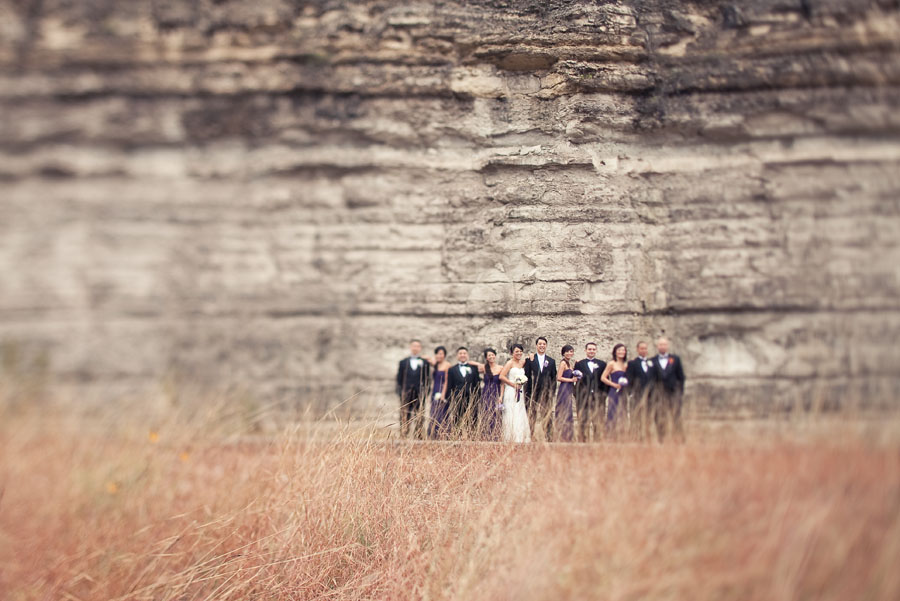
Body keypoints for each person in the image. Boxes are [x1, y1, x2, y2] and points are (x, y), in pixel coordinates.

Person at [648, 337, 686, 442]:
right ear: (657, 346)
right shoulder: (652, 361)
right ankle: (661, 439)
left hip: (673, 394)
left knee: (676, 416)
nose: (662, 346)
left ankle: (679, 439)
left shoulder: (675, 359)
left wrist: (679, 393)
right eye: (660, 344)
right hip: (658, 395)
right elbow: (650, 379)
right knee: (659, 417)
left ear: (668, 346)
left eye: (664, 344)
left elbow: (681, 377)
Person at [524, 336, 557, 441]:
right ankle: (531, 436)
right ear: (536, 345)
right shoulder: (530, 360)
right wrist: (527, 393)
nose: (542, 346)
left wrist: (551, 392)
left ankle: (549, 437)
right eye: (540, 344)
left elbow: (553, 379)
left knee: (547, 415)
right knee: (531, 415)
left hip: (546, 394)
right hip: (532, 393)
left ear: (546, 346)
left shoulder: (551, 361)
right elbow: (527, 377)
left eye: (544, 344)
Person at [395, 339, 430, 438]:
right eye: (413, 346)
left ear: (420, 348)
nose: (415, 348)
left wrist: (425, 393)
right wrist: (400, 393)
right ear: (410, 347)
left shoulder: (425, 363)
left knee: (419, 415)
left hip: (419, 394)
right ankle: (403, 435)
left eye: (417, 346)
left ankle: (418, 436)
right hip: (406, 394)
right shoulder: (403, 362)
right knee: (404, 415)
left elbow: (427, 379)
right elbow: (399, 379)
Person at [446, 347, 482, 437]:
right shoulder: (452, 370)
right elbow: (449, 386)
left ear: (467, 355)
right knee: (457, 420)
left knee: (472, 419)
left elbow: (477, 384)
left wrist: (477, 398)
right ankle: (457, 437)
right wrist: (450, 399)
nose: (462, 355)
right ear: (457, 356)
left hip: (471, 399)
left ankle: (472, 438)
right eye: (460, 353)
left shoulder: (474, 369)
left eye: (464, 353)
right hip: (457, 399)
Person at [574, 342, 607, 442]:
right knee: (583, 421)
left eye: (593, 349)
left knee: (598, 421)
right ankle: (583, 443)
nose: (591, 351)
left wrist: (603, 396)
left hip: (598, 398)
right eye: (589, 349)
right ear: (585, 350)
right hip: (583, 398)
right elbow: (576, 381)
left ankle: (598, 443)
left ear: (596, 350)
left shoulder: (602, 364)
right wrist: (578, 396)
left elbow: (605, 381)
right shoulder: (579, 364)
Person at [498, 343, 530, 443]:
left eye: (520, 351)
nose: (519, 353)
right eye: (516, 351)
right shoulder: (509, 363)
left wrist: (531, 356)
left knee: (520, 412)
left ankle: (520, 437)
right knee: (511, 412)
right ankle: (511, 438)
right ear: (512, 353)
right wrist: (513, 385)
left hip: (520, 391)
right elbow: (501, 376)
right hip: (511, 391)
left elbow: (529, 359)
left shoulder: (522, 363)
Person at [625, 341, 653, 441]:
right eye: (642, 348)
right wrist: (631, 393)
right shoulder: (632, 363)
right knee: (636, 418)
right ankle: (635, 438)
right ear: (637, 350)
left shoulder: (651, 363)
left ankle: (647, 438)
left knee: (648, 418)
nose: (644, 350)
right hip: (636, 396)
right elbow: (628, 379)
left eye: (645, 348)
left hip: (650, 397)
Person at [600, 343, 629, 439]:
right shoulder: (611, 363)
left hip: (623, 392)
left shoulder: (626, 364)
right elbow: (603, 378)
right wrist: (614, 385)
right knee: (613, 412)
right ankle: (611, 436)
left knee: (623, 412)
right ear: (615, 352)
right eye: (619, 350)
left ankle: (622, 436)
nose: (621, 352)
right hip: (614, 391)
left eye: (623, 350)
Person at [425, 346, 451, 439]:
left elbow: (447, 381)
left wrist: (443, 394)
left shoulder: (447, 365)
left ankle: (443, 435)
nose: (440, 355)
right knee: (433, 412)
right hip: (434, 390)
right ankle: (433, 435)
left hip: (442, 390)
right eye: (438, 353)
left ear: (444, 355)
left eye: (441, 354)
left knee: (442, 412)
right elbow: (425, 357)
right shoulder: (436, 364)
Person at [555, 344, 579, 442]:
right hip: (564, 389)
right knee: (564, 410)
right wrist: (571, 380)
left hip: (569, 389)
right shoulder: (563, 364)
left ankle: (568, 436)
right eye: (567, 351)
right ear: (563, 353)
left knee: (568, 411)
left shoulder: (569, 363)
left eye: (571, 351)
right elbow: (558, 378)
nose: (569, 353)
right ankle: (562, 436)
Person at [480, 348, 502, 440]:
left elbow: (503, 384)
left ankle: (496, 435)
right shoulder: (484, 368)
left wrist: (501, 396)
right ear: (486, 358)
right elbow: (472, 363)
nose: (491, 356)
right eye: (489, 355)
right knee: (486, 413)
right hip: (486, 393)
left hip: (497, 393)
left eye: (493, 355)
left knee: (497, 413)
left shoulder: (501, 368)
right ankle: (486, 435)